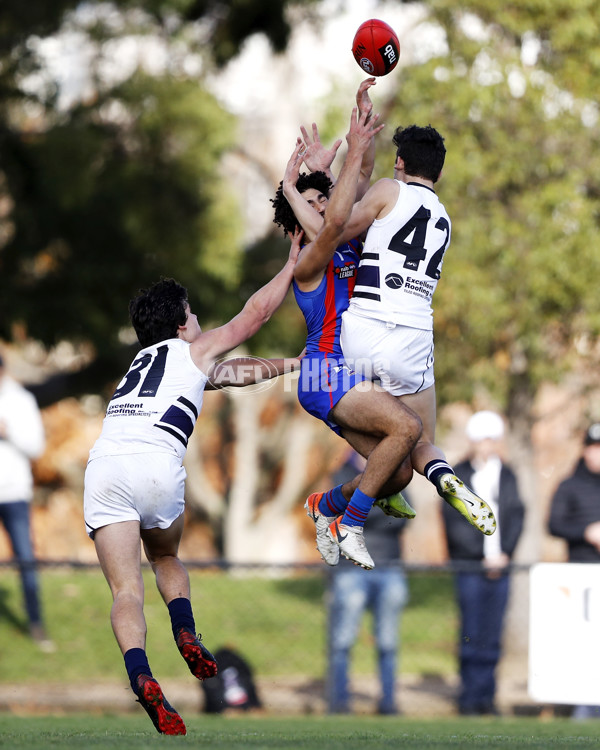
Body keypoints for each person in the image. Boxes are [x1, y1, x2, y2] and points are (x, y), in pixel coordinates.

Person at [83, 235, 303, 735]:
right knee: (164, 557)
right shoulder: (192, 349)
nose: (201, 322)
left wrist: (291, 364)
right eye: (195, 315)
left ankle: (141, 674)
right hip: (156, 462)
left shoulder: (139, 366)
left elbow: (232, 374)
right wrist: (291, 263)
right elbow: (255, 316)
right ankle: (185, 632)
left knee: (125, 589)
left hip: (105, 467)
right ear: (182, 323)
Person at [284, 112, 497, 540]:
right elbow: (339, 214)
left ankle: (340, 509)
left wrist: (308, 180)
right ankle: (440, 476)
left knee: (394, 462)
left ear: (399, 163)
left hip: (358, 337)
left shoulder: (386, 193)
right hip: (410, 339)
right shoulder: (444, 222)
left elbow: (336, 225)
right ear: (438, 172)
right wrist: (338, 163)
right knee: (420, 438)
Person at [272, 88, 422, 571]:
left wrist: (362, 123)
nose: (323, 207)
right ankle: (350, 524)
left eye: (324, 200)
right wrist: (292, 187)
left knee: (397, 472)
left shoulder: (347, 239)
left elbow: (357, 183)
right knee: (407, 426)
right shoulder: (309, 261)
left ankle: (328, 506)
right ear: (296, 220)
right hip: (322, 373)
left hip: (346, 375)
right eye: (311, 203)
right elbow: (330, 224)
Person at [441, 410, 525, 716]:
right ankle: (468, 697)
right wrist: (481, 555)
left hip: (500, 567)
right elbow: (454, 522)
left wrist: (505, 553)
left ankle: (486, 696)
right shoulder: (457, 476)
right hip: (471, 567)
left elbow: (517, 516)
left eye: (491, 440)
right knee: (471, 632)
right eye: (481, 440)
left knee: (492, 634)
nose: (486, 446)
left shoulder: (509, 475)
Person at [326, 450, 409, 715]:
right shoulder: (342, 474)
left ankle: (388, 704)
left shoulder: (396, 473)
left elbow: (403, 515)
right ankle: (339, 703)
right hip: (350, 570)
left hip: (388, 566)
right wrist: (381, 504)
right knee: (342, 641)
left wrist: (362, 508)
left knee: (388, 642)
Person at [0, 352, 54, 653]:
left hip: (14, 493)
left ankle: (36, 624)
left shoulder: (21, 400)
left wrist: (8, 433)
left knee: (25, 559)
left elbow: (36, 446)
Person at [548, 422, 600, 720]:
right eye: (593, 447)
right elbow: (554, 524)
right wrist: (587, 532)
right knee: (584, 644)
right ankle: (584, 705)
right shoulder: (569, 485)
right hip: (580, 578)